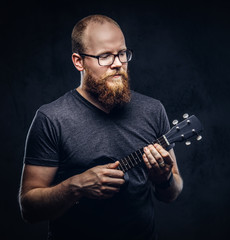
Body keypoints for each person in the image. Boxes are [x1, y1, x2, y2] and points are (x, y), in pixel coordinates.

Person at [18, 14, 183, 240]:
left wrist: (163, 179)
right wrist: (75, 186)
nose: (117, 64)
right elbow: (29, 208)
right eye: (104, 56)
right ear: (79, 61)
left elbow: (172, 193)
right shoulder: (51, 118)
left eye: (122, 54)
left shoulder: (153, 110)